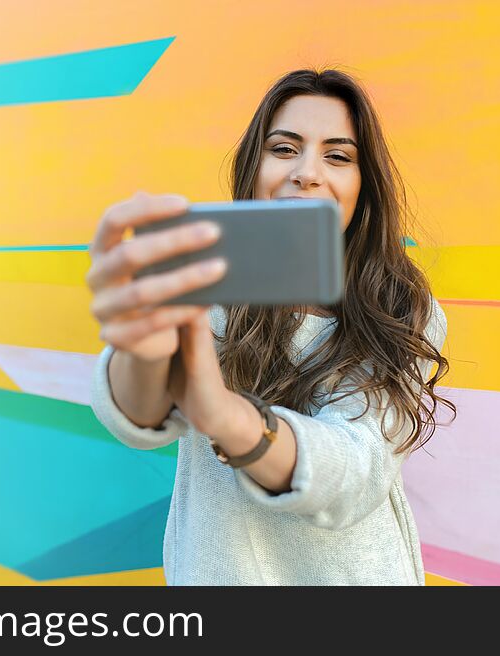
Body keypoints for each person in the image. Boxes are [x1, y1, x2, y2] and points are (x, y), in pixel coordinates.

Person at [85, 69, 456, 585]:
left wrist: (229, 418)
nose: (307, 172)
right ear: (253, 167)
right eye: (284, 148)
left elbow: (355, 469)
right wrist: (143, 349)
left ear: (363, 186)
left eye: (338, 156)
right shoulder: (203, 283)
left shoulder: (403, 308)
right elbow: (139, 420)